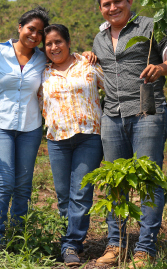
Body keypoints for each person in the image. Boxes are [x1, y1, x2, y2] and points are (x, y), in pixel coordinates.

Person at [91, 0, 167, 268]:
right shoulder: (99, 38)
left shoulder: (151, 25)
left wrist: (161, 67)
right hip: (112, 115)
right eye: (106, 4)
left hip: (148, 112)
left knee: (148, 181)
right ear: (101, 8)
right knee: (115, 180)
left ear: (129, 1)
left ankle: (145, 249)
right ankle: (115, 244)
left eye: (117, 1)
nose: (112, 7)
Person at [0, 6, 50, 248]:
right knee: (3, 182)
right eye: (31, 29)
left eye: (40, 32)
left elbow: (65, 60)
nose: (34, 35)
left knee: (23, 184)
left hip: (30, 128)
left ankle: (19, 235)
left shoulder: (43, 58)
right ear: (20, 28)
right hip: (0, 125)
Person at [39, 24, 104, 267]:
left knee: (81, 193)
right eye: (48, 44)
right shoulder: (42, 72)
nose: (54, 47)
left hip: (89, 136)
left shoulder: (88, 64)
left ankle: (72, 245)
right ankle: (68, 237)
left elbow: (112, 88)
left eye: (58, 42)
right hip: (57, 140)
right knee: (63, 194)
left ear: (68, 42)